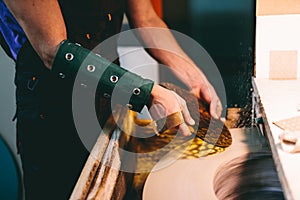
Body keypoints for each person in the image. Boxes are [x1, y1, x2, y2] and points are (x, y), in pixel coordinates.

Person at [0, 0, 222, 199]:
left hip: (108, 99)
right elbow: (55, 51)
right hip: (52, 112)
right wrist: (144, 93)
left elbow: (146, 17)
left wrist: (196, 78)